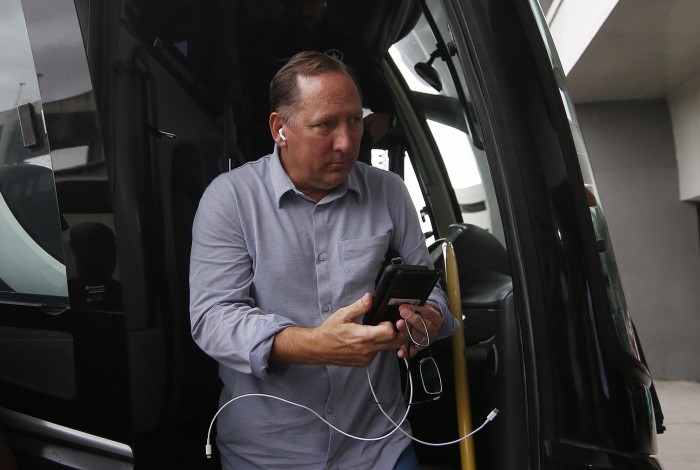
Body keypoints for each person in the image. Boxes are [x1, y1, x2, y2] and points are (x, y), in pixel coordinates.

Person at [190, 51, 458, 469]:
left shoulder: (389, 192)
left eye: (354, 121)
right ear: (280, 129)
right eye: (325, 125)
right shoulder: (230, 199)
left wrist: (427, 319)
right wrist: (313, 345)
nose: (347, 143)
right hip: (268, 453)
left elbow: (430, 288)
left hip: (378, 444)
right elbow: (213, 318)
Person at [240, 0, 395, 162]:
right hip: (281, 156)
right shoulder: (266, 50)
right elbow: (253, 107)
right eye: (295, 3)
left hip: (343, 161)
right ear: (283, 6)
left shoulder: (348, 48)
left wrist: (364, 140)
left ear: (324, 4)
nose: (304, 9)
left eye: (312, 2)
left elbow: (386, 108)